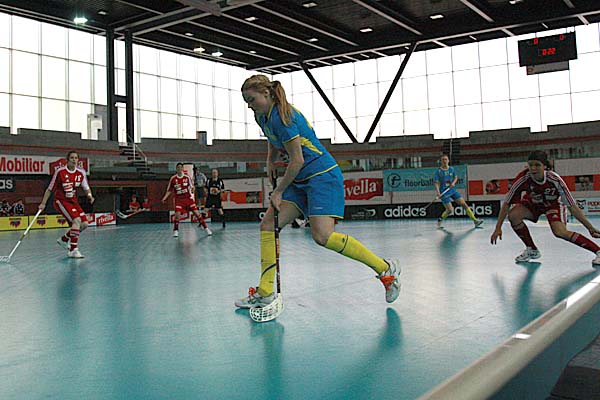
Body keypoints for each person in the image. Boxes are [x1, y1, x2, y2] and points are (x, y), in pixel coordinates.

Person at [235, 74, 400, 309]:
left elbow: (297, 160)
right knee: (268, 225)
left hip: (322, 176)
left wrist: (279, 191)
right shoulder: (261, 115)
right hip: (300, 179)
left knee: (323, 236)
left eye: (252, 100)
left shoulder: (284, 118)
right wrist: (270, 160)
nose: (249, 106)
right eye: (246, 102)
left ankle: (385, 269)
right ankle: (265, 292)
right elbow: (272, 138)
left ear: (267, 93)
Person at [491, 150, 600, 266]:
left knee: (560, 232)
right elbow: (507, 203)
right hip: (533, 204)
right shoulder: (522, 179)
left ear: (545, 166)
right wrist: (498, 228)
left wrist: (590, 228)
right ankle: (532, 249)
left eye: (537, 165)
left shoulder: (555, 180)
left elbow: (572, 206)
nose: (533, 168)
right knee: (513, 215)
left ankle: (598, 251)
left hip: (553, 205)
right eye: (530, 165)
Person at [39, 151, 94, 258]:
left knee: (84, 224)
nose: (74, 160)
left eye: (76, 158)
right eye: (72, 158)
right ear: (67, 160)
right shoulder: (60, 172)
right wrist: (43, 203)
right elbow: (50, 189)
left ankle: (64, 239)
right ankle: (73, 250)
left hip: (73, 201)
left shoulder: (81, 172)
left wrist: (90, 196)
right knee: (76, 221)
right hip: (61, 201)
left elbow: (86, 187)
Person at [162, 162, 212, 238]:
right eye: (178, 168)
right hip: (179, 200)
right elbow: (169, 190)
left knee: (197, 214)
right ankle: (176, 230)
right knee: (177, 215)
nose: (179, 169)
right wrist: (164, 198)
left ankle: (206, 228)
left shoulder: (187, 177)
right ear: (176, 169)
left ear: (182, 169)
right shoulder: (173, 179)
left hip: (188, 199)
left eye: (181, 168)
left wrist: (192, 189)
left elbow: (192, 186)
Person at [434, 154, 483, 229]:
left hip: (452, 190)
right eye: (443, 160)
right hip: (444, 192)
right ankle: (440, 220)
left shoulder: (451, 169)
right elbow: (436, 183)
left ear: (448, 160)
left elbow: (456, 177)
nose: (444, 161)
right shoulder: (439, 171)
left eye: (446, 159)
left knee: (464, 204)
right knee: (450, 210)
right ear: (441, 161)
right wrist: (438, 193)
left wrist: (453, 183)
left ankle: (475, 220)